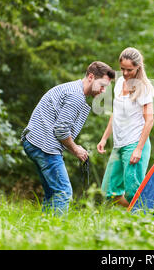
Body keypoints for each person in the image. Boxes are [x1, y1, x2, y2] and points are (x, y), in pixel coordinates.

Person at [21, 61, 115, 215]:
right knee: (63, 193)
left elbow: (60, 129)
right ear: (91, 77)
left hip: (35, 141)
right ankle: (56, 231)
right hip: (44, 145)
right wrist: (76, 149)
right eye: (102, 85)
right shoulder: (76, 96)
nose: (103, 91)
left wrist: (74, 147)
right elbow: (61, 130)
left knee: (52, 193)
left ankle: (45, 229)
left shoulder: (73, 89)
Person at [98, 47, 154, 207]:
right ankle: (144, 213)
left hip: (134, 144)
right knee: (109, 192)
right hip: (118, 144)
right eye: (122, 68)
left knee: (133, 192)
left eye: (129, 69)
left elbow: (149, 121)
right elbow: (115, 113)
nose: (125, 73)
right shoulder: (120, 82)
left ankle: (149, 219)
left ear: (138, 67)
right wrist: (104, 138)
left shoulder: (144, 87)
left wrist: (138, 149)